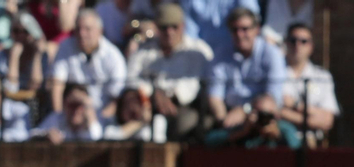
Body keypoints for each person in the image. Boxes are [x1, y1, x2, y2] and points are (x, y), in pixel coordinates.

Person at [126, 2, 208, 141]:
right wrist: (153, 93)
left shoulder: (197, 50)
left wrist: (168, 95)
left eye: (174, 27)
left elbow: (193, 84)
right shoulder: (144, 51)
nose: (169, 32)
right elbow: (130, 79)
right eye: (164, 27)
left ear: (183, 26)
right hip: (148, 105)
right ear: (156, 27)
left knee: (186, 124)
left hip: (184, 107)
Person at [204, 6, 282, 134]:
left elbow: (272, 98)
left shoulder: (272, 53)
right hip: (229, 116)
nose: (240, 35)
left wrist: (245, 110)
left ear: (256, 29)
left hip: (262, 117)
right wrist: (225, 123)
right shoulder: (220, 55)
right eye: (235, 30)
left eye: (245, 29)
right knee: (210, 138)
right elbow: (214, 96)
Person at [48, 8, 125, 120]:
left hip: (102, 117)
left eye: (87, 29)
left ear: (100, 31)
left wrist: (97, 122)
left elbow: (116, 99)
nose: (82, 33)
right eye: (78, 29)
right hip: (69, 117)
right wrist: (59, 118)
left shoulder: (113, 56)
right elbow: (56, 85)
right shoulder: (65, 47)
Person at [275, 21, 333, 144]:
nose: (298, 45)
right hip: (280, 140)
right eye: (293, 40)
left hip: (313, 142)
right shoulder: (274, 74)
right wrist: (311, 117)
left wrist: (295, 106)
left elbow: (327, 120)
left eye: (303, 41)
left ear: (311, 46)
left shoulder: (323, 76)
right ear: (286, 43)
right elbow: (273, 111)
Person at [34, 81, 99, 141]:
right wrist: (45, 136)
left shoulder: (92, 119)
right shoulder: (57, 117)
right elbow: (32, 134)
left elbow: (97, 138)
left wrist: (88, 109)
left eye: (80, 105)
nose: (76, 110)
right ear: (64, 105)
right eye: (72, 105)